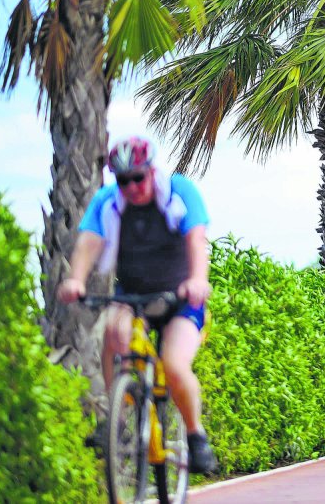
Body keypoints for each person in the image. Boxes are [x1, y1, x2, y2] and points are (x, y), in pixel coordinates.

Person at [57, 136, 218, 474]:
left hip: (180, 298)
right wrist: (76, 279)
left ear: (151, 171)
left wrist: (198, 280)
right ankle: (117, 420)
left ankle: (195, 435)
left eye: (138, 177)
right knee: (114, 333)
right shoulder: (108, 202)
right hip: (134, 295)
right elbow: (89, 242)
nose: (131, 187)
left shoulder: (178, 191)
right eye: (123, 180)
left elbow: (196, 239)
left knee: (173, 364)